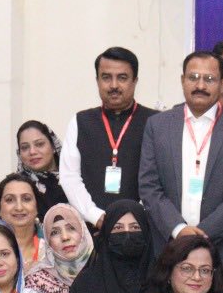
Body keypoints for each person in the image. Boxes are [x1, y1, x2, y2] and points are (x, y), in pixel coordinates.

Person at [139, 50, 223, 293]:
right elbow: (148, 185)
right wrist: (179, 230)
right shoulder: (158, 125)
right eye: (193, 77)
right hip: (169, 252)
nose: (200, 85)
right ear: (182, 80)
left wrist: (203, 233)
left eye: (209, 79)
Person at [60, 46, 160, 226]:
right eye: (106, 77)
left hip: (141, 227)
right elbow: (69, 177)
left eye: (122, 78)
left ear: (135, 81)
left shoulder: (155, 122)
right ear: (97, 80)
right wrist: (95, 216)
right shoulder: (81, 121)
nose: (114, 85)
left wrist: (132, 218)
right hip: (90, 226)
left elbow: (160, 181)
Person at [23, 203, 93, 293]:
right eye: (54, 232)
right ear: (48, 241)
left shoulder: (103, 272)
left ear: (83, 231)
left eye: (71, 228)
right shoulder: (36, 282)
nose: (65, 237)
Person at [0, 173, 49, 276]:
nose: (19, 207)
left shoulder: (51, 250)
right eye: (10, 200)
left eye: (26, 199)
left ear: (37, 207)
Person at [15, 119, 69, 218]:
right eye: (25, 147)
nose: (32, 152)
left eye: (39, 144)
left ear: (53, 146)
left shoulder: (76, 176)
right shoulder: (18, 187)